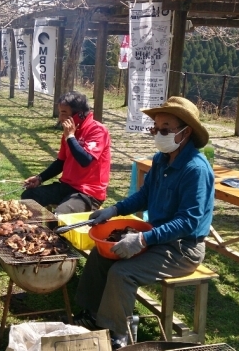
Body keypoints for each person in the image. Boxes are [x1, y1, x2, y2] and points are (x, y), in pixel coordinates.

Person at [73, 96, 215, 349]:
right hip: (156, 237)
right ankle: (92, 314)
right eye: (155, 128)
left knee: (123, 273)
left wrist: (141, 239)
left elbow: (188, 221)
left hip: (183, 249)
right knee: (101, 255)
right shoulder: (162, 159)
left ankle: (120, 334)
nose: (158, 134)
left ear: (186, 132)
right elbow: (145, 196)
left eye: (165, 129)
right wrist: (114, 209)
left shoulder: (195, 169)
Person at [21, 91, 111, 215]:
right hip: (67, 186)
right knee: (29, 196)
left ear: (79, 115)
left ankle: (55, 233)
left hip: (88, 193)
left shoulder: (98, 130)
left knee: (60, 216)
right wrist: (40, 178)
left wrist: (70, 137)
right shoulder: (69, 133)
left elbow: (85, 160)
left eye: (64, 113)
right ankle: (35, 231)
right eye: (60, 113)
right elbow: (61, 162)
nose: (60, 118)